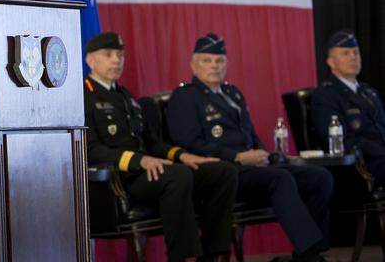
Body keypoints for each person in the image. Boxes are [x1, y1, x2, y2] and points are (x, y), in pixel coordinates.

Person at [167, 33, 333, 262]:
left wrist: (264, 154)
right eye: (207, 60)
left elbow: (250, 134)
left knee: (319, 177)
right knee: (280, 180)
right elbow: (189, 143)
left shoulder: (233, 93)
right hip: (224, 173)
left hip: (254, 168)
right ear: (193, 65)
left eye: (219, 60)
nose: (214, 66)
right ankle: (310, 255)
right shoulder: (185, 96)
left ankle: (313, 251)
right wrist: (237, 157)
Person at [84, 32, 236, 261]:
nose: (116, 60)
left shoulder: (125, 96)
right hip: (122, 176)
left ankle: (214, 254)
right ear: (90, 61)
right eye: (108, 55)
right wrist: (140, 161)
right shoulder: (84, 96)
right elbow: (90, 150)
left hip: (149, 169)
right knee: (177, 176)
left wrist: (184, 155)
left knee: (223, 171)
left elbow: (152, 141)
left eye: (120, 55)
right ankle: (181, 257)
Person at [312, 30, 385, 184]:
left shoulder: (369, 92)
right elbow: (342, 142)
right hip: (363, 163)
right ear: (331, 62)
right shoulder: (326, 95)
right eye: (345, 53)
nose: (353, 57)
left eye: (356, 53)